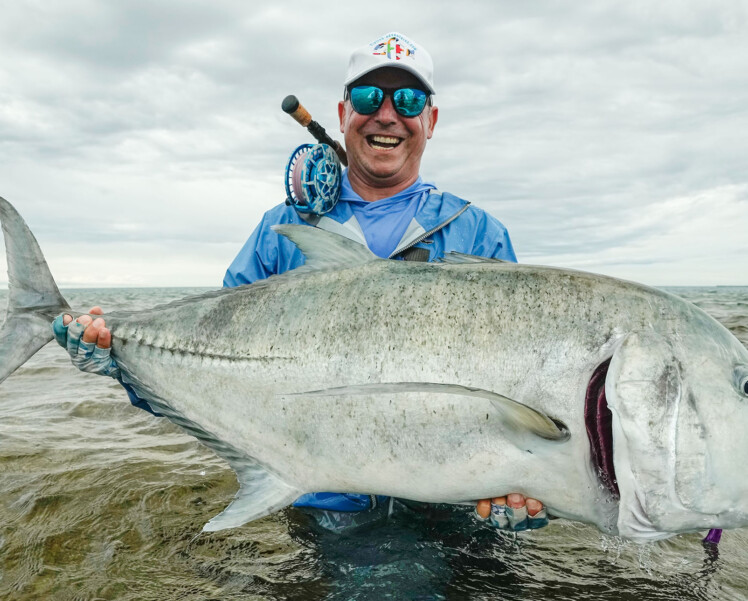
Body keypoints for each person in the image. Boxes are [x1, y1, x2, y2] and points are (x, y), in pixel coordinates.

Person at [53, 32, 547, 533]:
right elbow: (208, 359)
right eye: (368, 97)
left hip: (449, 513)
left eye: (410, 99)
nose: (387, 114)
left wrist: (532, 481)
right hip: (321, 510)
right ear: (342, 113)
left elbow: (521, 387)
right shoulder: (281, 230)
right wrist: (120, 362)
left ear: (431, 120)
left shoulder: (477, 233)